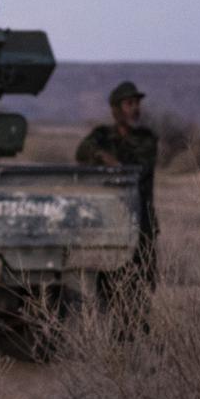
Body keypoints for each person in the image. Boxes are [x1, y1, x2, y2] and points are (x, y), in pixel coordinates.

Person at [77, 80, 162, 318]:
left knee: (141, 283)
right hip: (108, 222)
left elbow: (139, 169)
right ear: (116, 108)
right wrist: (102, 156)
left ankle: (134, 337)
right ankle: (109, 340)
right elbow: (82, 152)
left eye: (136, 103)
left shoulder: (146, 137)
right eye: (129, 103)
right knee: (105, 283)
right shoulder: (102, 135)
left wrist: (114, 163)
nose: (135, 108)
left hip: (141, 222)